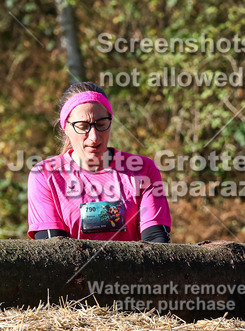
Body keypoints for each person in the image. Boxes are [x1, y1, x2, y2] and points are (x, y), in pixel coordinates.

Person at [27, 82, 171, 242]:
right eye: (82, 126)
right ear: (65, 127)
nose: (94, 137)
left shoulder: (142, 170)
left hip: (134, 267)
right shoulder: (45, 175)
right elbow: (53, 251)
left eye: (101, 124)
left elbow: (156, 242)